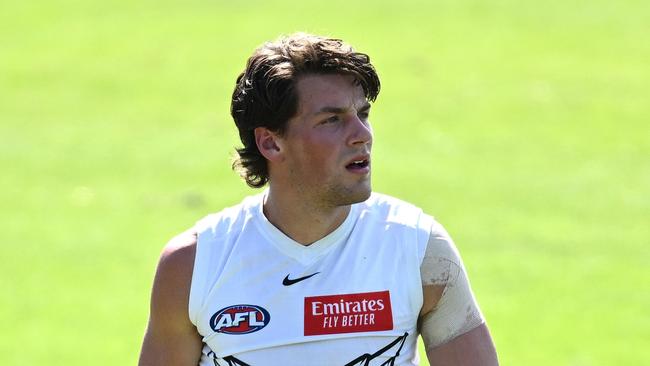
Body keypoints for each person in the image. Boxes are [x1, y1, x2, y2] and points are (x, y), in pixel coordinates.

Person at [139, 33, 498, 366]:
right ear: (271, 142)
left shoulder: (419, 248)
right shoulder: (194, 265)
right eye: (332, 120)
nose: (362, 135)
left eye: (363, 114)